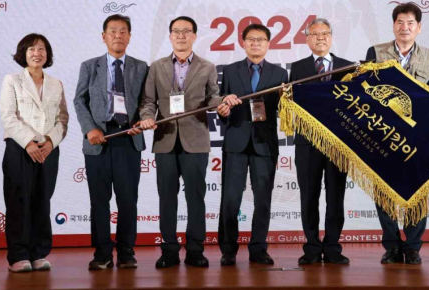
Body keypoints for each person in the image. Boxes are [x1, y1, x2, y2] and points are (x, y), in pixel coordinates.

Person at [140, 16, 234, 268]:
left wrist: (221, 104)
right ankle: (169, 250)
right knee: (166, 198)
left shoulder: (207, 66)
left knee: (195, 197)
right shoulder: (156, 67)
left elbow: (213, 97)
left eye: (186, 31)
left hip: (196, 140)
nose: (181, 35)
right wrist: (147, 117)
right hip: (165, 139)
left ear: (194, 36)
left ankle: (195, 249)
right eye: (176, 31)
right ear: (170, 36)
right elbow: (148, 101)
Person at [74, 14, 148, 270]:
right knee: (99, 199)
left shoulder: (141, 67)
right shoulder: (89, 66)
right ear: (103, 36)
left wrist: (142, 120)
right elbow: (79, 100)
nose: (118, 35)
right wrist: (89, 129)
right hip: (98, 140)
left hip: (129, 138)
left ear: (129, 36)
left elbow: (148, 101)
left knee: (128, 199)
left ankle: (126, 251)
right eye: (113, 31)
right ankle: (102, 252)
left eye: (123, 31)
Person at [365, 2, 429, 265]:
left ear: (419, 28)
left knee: (419, 191)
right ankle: (392, 246)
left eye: (410, 23)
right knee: (383, 192)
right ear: (393, 26)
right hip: (382, 134)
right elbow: (366, 90)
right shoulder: (376, 52)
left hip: (417, 137)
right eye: (400, 22)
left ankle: (413, 247)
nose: (405, 27)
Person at [216, 23, 289, 266]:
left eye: (260, 39)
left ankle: (258, 248)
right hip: (236, 141)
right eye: (251, 39)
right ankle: (228, 249)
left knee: (263, 200)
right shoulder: (230, 70)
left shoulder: (280, 74)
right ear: (243, 43)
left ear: (268, 44)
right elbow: (222, 105)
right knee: (230, 199)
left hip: (264, 144)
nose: (255, 43)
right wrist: (223, 110)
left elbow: (283, 110)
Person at [0, 33, 68, 272]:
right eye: (31, 49)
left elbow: (62, 119)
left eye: (41, 49)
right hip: (20, 148)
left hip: (48, 150)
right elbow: (8, 116)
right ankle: (18, 256)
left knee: (42, 200)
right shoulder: (12, 80)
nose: (37, 53)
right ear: (23, 53)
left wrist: (50, 141)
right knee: (19, 200)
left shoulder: (56, 84)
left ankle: (39, 253)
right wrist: (29, 142)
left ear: (47, 54)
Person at [290, 18, 353, 265]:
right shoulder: (297, 68)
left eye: (325, 33)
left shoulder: (348, 67)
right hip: (308, 142)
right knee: (309, 196)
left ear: (331, 37)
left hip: (338, 143)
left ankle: (333, 247)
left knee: (336, 196)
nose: (320, 38)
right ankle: (312, 248)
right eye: (315, 34)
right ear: (307, 39)